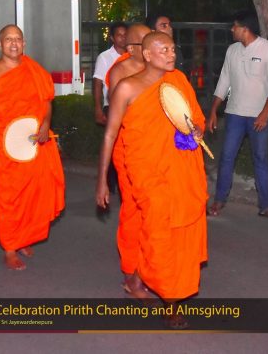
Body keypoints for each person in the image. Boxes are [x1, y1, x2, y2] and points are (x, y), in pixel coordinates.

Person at [96, 32, 207, 325]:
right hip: (147, 171)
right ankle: (170, 299)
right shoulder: (127, 87)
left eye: (172, 48)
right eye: (163, 50)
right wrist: (102, 180)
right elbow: (109, 135)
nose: (171, 54)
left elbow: (193, 117)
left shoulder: (178, 81)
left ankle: (143, 280)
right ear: (146, 55)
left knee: (180, 230)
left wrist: (196, 130)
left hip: (179, 167)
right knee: (159, 229)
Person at [0, 25, 65, 271]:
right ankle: (9, 248)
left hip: (32, 142)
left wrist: (46, 124)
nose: (13, 43)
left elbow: (46, 102)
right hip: (3, 145)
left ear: (24, 43)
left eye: (18, 39)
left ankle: (24, 237)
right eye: (8, 39)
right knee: (9, 197)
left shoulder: (34, 70)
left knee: (34, 193)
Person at [208, 11, 268, 219]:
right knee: (226, 157)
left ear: (245, 29)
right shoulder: (232, 50)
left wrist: (265, 114)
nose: (232, 29)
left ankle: (266, 205)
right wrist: (213, 111)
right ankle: (219, 200)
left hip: (260, 115)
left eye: (235, 26)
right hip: (234, 113)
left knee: (260, 158)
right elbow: (224, 81)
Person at [104, 23, 151, 291]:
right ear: (132, 48)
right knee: (134, 210)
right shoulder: (120, 72)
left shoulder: (161, 69)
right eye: (145, 44)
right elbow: (118, 120)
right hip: (130, 150)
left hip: (157, 151)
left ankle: (152, 265)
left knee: (155, 213)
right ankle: (131, 268)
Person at [93, 21, 127, 125]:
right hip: (111, 106)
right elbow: (97, 84)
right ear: (112, 38)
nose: (123, 38)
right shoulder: (104, 57)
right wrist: (98, 108)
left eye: (125, 34)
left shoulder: (133, 55)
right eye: (119, 35)